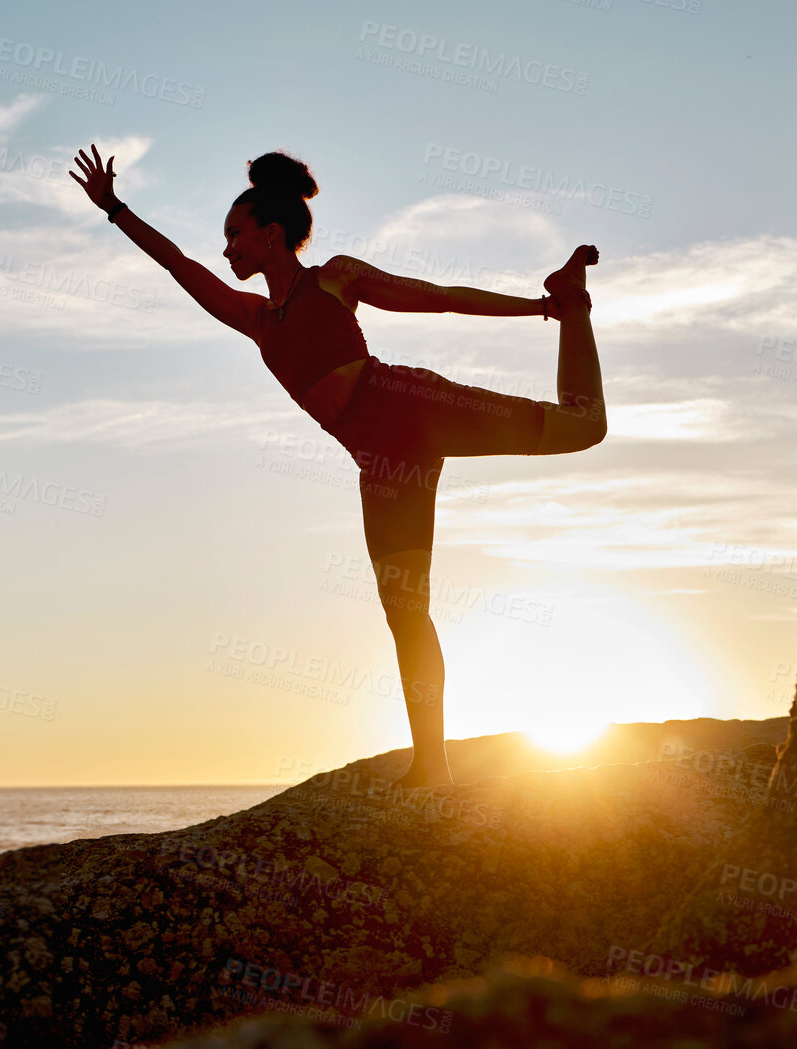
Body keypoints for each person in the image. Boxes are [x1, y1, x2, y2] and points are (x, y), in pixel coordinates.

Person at [70, 145, 605, 789]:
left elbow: (438, 298)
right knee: (404, 610)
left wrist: (540, 308)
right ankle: (430, 766)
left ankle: (573, 302)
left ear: (272, 235)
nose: (226, 250)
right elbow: (180, 266)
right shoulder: (257, 319)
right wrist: (116, 211)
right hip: (379, 463)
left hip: (415, 408)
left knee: (584, 427)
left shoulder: (334, 278)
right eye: (223, 240)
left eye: (235, 235)